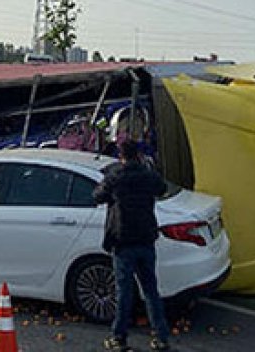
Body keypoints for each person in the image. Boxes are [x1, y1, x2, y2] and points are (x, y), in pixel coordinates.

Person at [93, 139, 170, 351]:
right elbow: (162, 188)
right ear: (138, 155)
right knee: (151, 290)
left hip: (123, 239)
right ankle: (161, 337)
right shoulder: (147, 176)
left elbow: (97, 196)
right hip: (145, 238)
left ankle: (119, 337)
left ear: (121, 156)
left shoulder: (116, 177)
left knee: (124, 292)